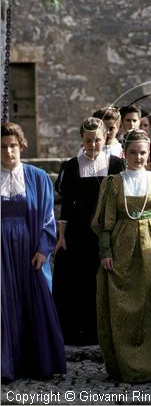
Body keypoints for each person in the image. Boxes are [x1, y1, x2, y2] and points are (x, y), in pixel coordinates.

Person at [91, 129, 151, 382]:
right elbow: (104, 223)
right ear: (124, 154)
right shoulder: (113, 183)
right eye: (133, 153)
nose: (138, 157)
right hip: (121, 251)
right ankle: (126, 366)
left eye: (143, 153)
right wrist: (105, 252)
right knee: (123, 310)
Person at [1, 122, 66, 382]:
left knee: (35, 302)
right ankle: (6, 366)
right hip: (2, 252)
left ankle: (39, 363)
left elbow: (48, 219)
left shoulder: (37, 177)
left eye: (13, 146)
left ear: (22, 146)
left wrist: (43, 249)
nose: (8, 152)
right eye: (3, 147)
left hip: (30, 250)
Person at [52, 117, 125, 345]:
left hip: (105, 231)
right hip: (77, 231)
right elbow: (66, 205)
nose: (93, 145)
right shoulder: (71, 166)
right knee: (76, 280)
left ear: (105, 138)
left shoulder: (115, 164)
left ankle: (101, 330)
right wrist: (62, 235)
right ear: (82, 140)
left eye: (97, 140)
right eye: (88, 140)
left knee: (100, 281)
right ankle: (75, 331)